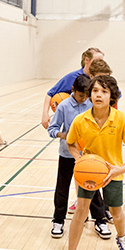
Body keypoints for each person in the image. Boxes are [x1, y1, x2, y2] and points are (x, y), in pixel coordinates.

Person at [62, 75, 125, 250]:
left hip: (112, 173)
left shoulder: (122, 119)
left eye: (104, 92)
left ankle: (122, 239)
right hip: (88, 173)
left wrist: (121, 168)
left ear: (111, 96)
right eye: (95, 90)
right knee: (80, 211)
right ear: (90, 94)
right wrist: (80, 160)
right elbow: (70, 144)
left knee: (116, 212)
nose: (99, 95)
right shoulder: (80, 120)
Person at [47, 74, 111, 240]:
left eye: (86, 95)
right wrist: (63, 135)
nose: (84, 99)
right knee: (62, 188)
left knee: (93, 188)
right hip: (67, 154)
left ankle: (100, 220)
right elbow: (51, 129)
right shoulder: (63, 106)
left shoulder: (91, 105)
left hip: (89, 156)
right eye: (81, 95)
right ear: (73, 90)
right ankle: (58, 221)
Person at [40, 47, 104, 130]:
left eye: (102, 61)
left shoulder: (102, 77)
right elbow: (50, 94)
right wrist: (45, 114)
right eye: (96, 61)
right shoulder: (72, 77)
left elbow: (115, 97)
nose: (99, 63)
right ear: (87, 60)